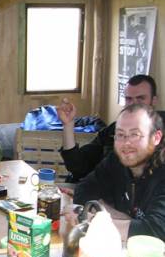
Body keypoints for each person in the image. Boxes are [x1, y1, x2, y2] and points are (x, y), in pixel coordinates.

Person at [74, 104, 165, 242]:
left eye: (135, 134)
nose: (126, 143)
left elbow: (155, 232)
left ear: (156, 137)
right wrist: (115, 217)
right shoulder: (116, 161)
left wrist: (94, 222)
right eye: (120, 134)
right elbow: (83, 190)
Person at [58, 74, 163, 182]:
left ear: (154, 100)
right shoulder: (113, 130)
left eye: (141, 98)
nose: (134, 104)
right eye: (129, 99)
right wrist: (68, 125)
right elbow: (77, 166)